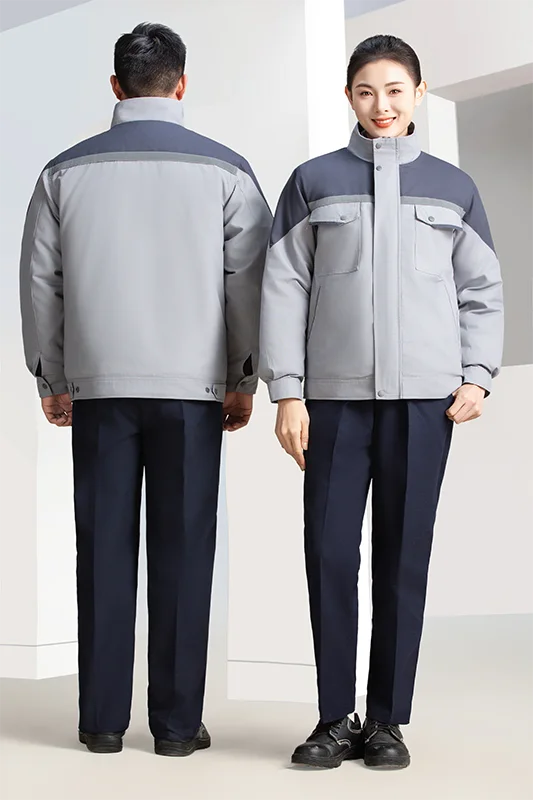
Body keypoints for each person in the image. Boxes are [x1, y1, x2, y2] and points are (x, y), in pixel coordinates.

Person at [20, 22, 271, 756]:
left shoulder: (62, 172)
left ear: (115, 86)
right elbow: (247, 285)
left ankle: (101, 724)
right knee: (184, 554)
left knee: (102, 551)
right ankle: (176, 728)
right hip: (192, 391)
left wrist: (53, 376)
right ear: (182, 84)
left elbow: (41, 284)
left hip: (98, 388)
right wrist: (241, 378)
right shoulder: (227, 171)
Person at [259, 34, 503, 770]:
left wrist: (476, 374)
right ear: (348, 97)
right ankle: (335, 717)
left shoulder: (454, 187)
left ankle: (388, 721)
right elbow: (282, 288)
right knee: (330, 556)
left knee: (403, 560)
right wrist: (287, 392)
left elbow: (481, 289)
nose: (381, 104)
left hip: (425, 403)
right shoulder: (312, 181)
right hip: (333, 402)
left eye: (395, 89)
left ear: (418, 92)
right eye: (366, 91)